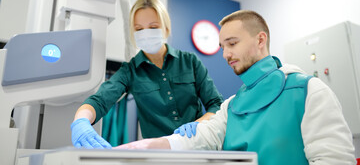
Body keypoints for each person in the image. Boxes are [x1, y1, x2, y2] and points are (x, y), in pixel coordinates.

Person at [115, 10, 356, 165]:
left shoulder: (308, 91)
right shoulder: (232, 106)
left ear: (260, 40)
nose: (226, 54)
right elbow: (199, 139)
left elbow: (334, 160)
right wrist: (136, 148)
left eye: (232, 43)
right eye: (222, 47)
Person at [70, 0, 223, 148]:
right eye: (139, 29)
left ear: (166, 28)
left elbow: (216, 104)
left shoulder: (189, 61)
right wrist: (81, 122)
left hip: (196, 144)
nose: (146, 33)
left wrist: (198, 124)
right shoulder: (130, 71)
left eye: (153, 26)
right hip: (158, 153)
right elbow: (100, 100)